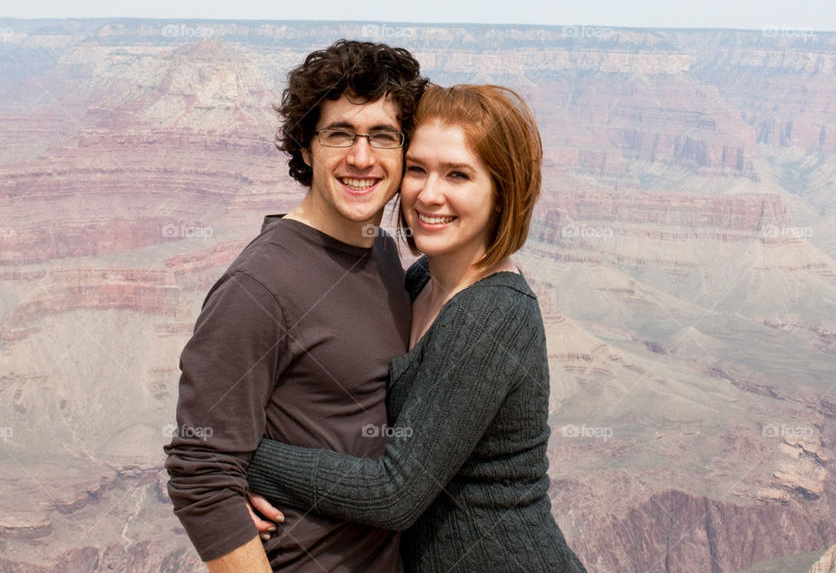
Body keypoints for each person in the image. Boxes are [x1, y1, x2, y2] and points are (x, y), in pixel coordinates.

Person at [246, 84, 588, 572]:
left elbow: (394, 494)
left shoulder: (490, 313)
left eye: (458, 175)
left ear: (501, 192)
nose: (429, 194)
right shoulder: (423, 280)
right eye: (417, 169)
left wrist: (238, 463)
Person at [163, 40, 428, 572]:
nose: (361, 157)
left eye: (382, 136)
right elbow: (200, 471)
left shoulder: (378, 248)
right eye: (339, 135)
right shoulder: (259, 286)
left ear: (405, 152)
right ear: (306, 149)